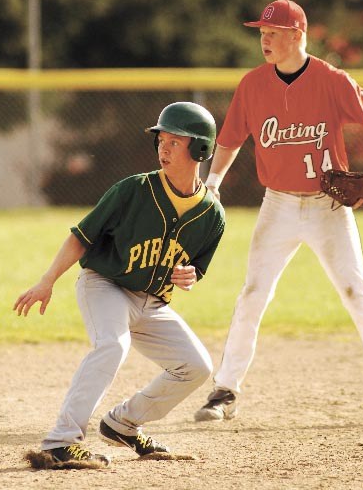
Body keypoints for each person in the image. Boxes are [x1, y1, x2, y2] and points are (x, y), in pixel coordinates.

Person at [194, 0, 363, 422]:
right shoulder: (253, 84)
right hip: (278, 206)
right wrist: (212, 181)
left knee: (357, 295)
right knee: (252, 295)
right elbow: (231, 138)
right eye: (262, 34)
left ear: (296, 35)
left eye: (272, 33)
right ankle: (224, 390)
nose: (264, 40)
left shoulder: (331, 80)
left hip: (328, 208)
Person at [14, 101, 225, 466]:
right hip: (105, 285)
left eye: (175, 141)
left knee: (197, 366)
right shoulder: (134, 190)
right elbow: (82, 236)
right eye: (161, 140)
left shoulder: (212, 215)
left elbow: (194, 269)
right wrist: (47, 280)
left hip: (152, 303)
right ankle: (61, 441)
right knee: (112, 345)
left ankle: (124, 424)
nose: (163, 147)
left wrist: (189, 275)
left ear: (200, 149)